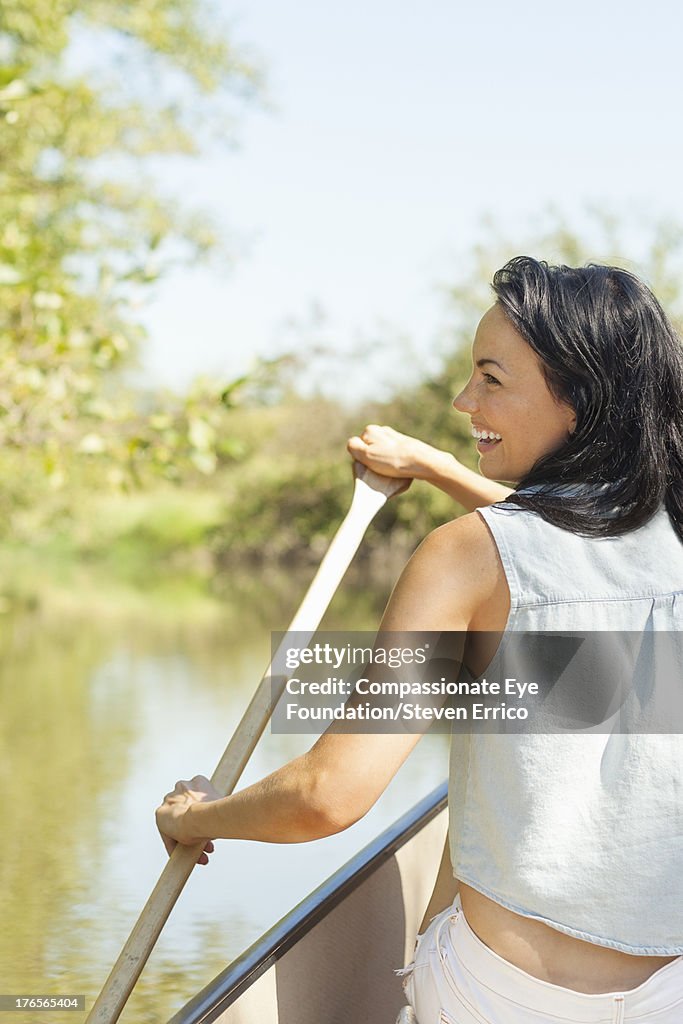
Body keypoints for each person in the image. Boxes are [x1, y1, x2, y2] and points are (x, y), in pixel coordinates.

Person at [156, 256, 683, 1023]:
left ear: (578, 400)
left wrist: (194, 815)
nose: (462, 398)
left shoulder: (464, 556)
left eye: (490, 378)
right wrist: (434, 466)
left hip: (504, 996)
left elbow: (328, 796)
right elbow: (570, 541)